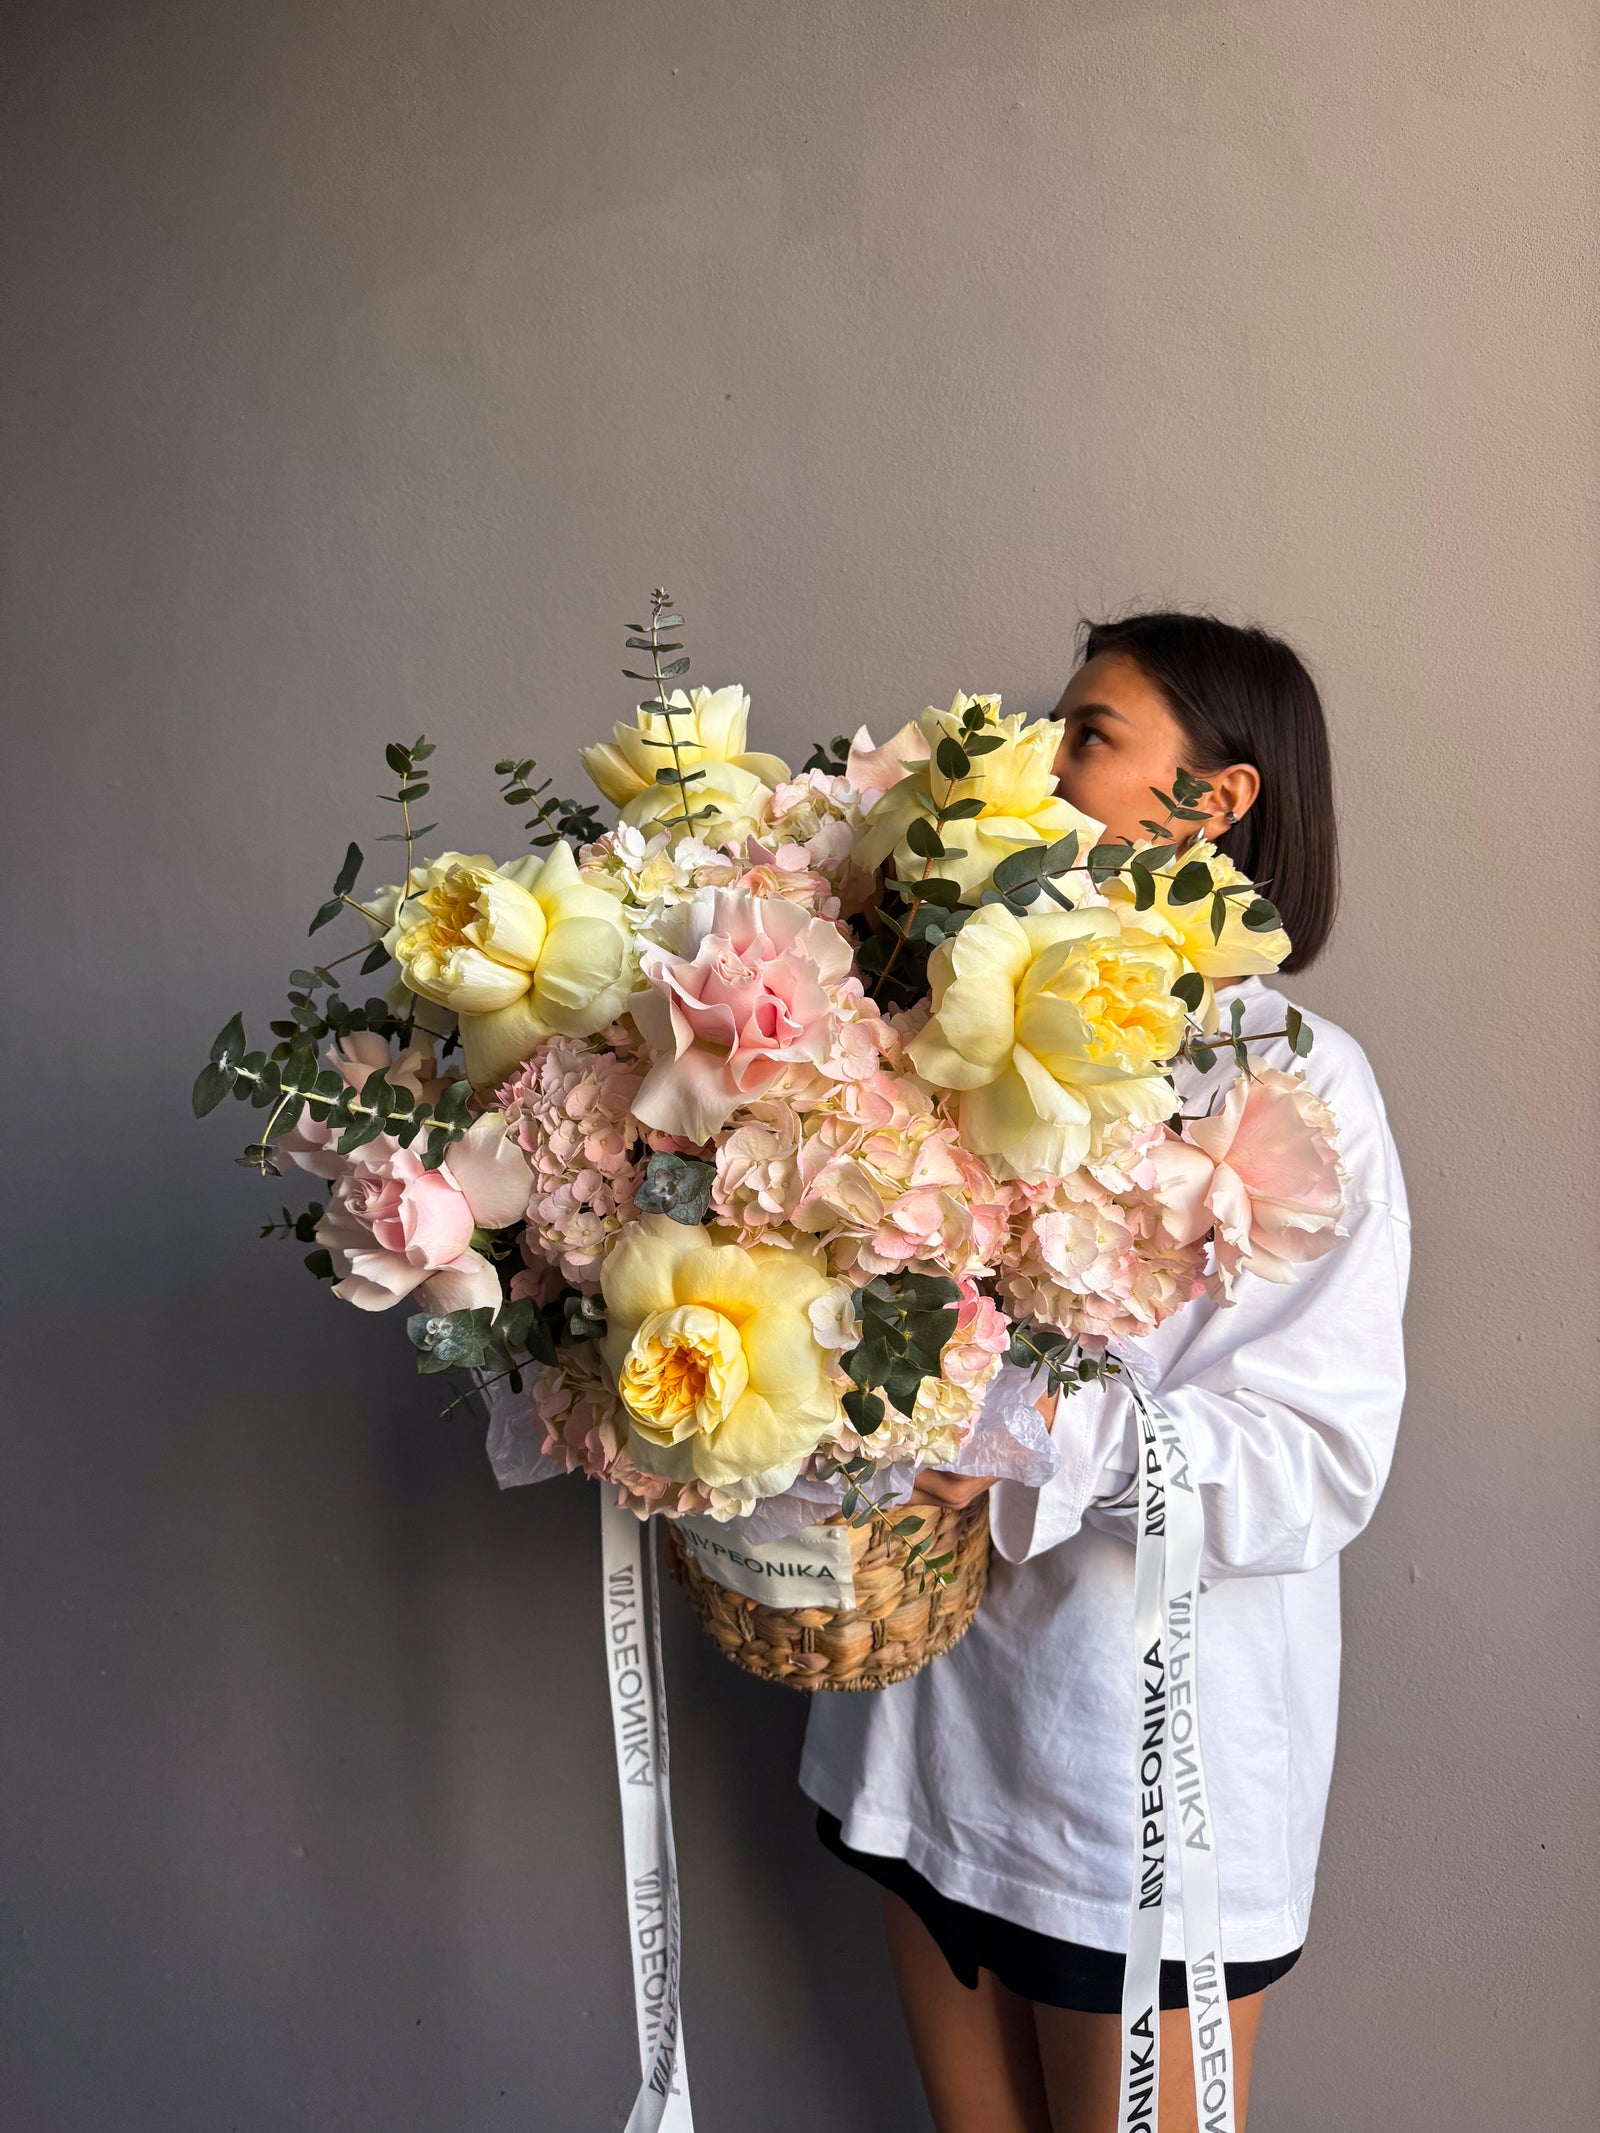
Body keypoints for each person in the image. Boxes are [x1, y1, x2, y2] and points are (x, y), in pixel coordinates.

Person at [800, 612, 1410, 2132]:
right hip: (931, 1731)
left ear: (1217, 801)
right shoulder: (940, 1021)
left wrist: (1016, 1436)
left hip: (1140, 1774)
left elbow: (1316, 1458)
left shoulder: (1299, 1081)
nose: (1040, 756)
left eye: (1088, 732)